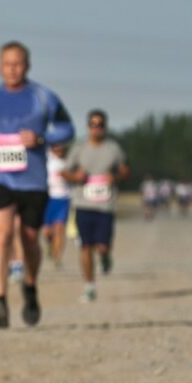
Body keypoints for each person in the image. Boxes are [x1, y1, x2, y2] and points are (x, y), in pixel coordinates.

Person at [0, 41, 74, 328]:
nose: (12, 69)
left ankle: (30, 288)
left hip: (33, 181)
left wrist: (42, 139)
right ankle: (0, 300)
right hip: (0, 178)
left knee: (29, 239)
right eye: (7, 64)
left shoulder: (43, 97)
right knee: (3, 236)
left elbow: (67, 129)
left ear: (27, 66)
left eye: (17, 64)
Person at [63, 110, 129, 302]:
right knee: (85, 246)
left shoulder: (113, 148)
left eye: (100, 124)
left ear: (105, 127)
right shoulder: (79, 148)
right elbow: (64, 172)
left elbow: (125, 170)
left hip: (105, 206)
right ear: (88, 126)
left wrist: (115, 177)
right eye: (93, 124)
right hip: (83, 203)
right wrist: (76, 177)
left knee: (101, 246)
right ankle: (89, 286)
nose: (96, 128)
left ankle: (105, 255)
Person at [42, 143, 72, 267]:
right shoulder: (46, 158)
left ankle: (58, 257)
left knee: (59, 228)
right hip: (48, 198)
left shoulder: (69, 161)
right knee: (47, 232)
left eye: (61, 146)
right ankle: (50, 244)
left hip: (63, 199)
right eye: (56, 146)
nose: (59, 149)